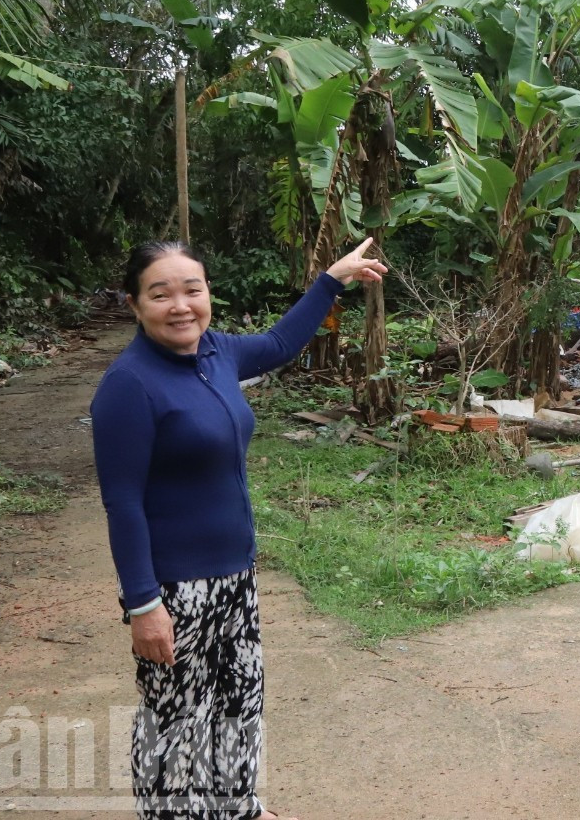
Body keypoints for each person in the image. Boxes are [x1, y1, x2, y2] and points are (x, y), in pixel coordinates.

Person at [91, 237, 386, 820]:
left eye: (192, 290)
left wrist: (332, 279)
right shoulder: (129, 385)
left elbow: (278, 343)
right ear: (134, 304)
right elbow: (122, 504)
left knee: (238, 701)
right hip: (175, 588)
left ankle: (238, 809)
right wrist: (143, 603)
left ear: (208, 295)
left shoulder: (217, 352)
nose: (180, 305)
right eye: (161, 294)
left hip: (233, 574)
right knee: (178, 719)